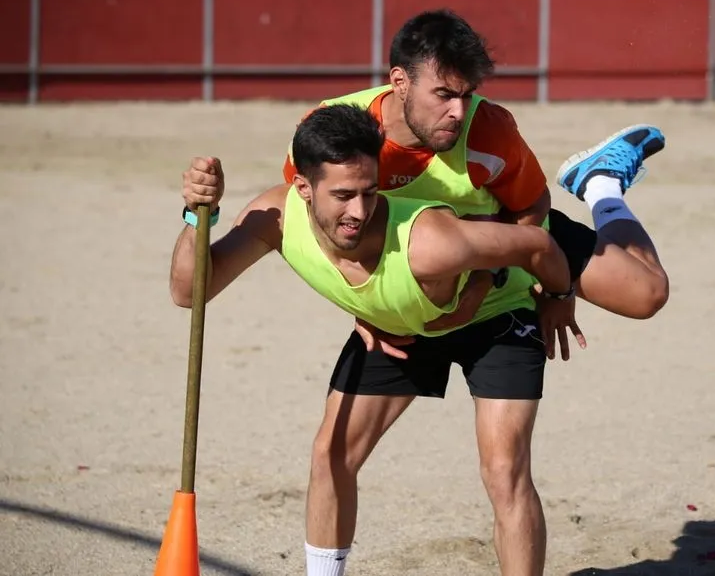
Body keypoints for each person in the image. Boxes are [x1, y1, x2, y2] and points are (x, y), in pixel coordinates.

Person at [171, 103, 611, 576]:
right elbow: (189, 291)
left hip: (493, 315)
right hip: (400, 328)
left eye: (369, 192)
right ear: (302, 188)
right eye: (343, 195)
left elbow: (538, 245)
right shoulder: (275, 217)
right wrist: (199, 217)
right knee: (330, 455)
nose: (358, 211)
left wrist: (559, 296)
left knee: (504, 470)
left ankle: (603, 188)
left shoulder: (431, 241)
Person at [282, 9, 670, 361]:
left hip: (505, 234)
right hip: (423, 271)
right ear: (400, 81)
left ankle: (600, 184)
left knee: (647, 295)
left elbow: (531, 204)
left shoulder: (488, 129)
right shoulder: (333, 139)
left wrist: (496, 278)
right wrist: (365, 308)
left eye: (467, 94)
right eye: (444, 94)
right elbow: (321, 233)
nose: (459, 111)